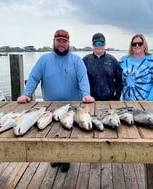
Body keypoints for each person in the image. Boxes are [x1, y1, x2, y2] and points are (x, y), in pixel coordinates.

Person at [17, 29, 95, 172]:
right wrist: (26, 94)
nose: (61, 44)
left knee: (68, 132)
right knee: (52, 133)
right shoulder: (44, 60)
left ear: (68, 43)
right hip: (50, 106)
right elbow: (33, 78)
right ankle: (55, 156)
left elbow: (83, 78)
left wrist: (86, 94)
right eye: (59, 40)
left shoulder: (76, 60)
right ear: (54, 41)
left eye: (64, 42)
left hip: (72, 106)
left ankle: (66, 158)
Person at [120, 34, 153, 101]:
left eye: (140, 43)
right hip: (126, 103)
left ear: (144, 45)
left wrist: (149, 100)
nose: (137, 45)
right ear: (131, 46)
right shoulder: (123, 60)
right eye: (134, 44)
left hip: (146, 103)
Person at [83, 33, 123, 100]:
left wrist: (117, 98)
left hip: (109, 100)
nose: (99, 46)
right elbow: (80, 80)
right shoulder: (85, 60)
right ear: (92, 45)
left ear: (105, 45)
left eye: (101, 43)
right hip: (90, 100)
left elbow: (119, 81)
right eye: (96, 43)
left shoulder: (113, 61)